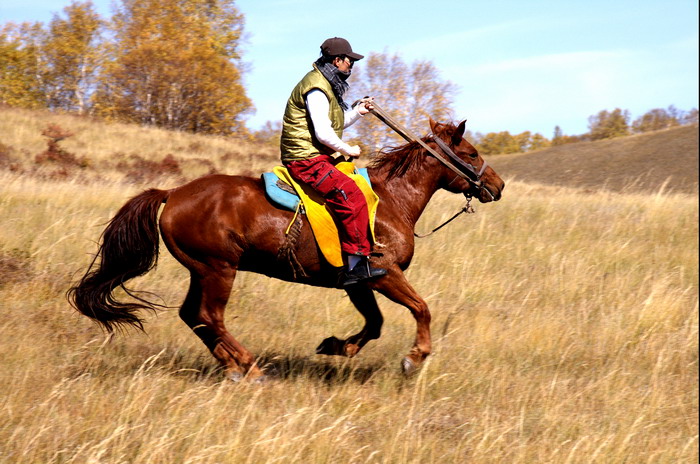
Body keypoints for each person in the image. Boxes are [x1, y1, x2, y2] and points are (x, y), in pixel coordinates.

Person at [280, 37, 387, 287]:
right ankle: (354, 266)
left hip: (316, 155)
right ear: (337, 60)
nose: (352, 65)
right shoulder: (317, 88)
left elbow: (333, 124)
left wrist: (358, 112)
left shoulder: (328, 84)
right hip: (305, 158)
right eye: (350, 60)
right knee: (351, 194)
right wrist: (349, 148)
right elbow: (324, 134)